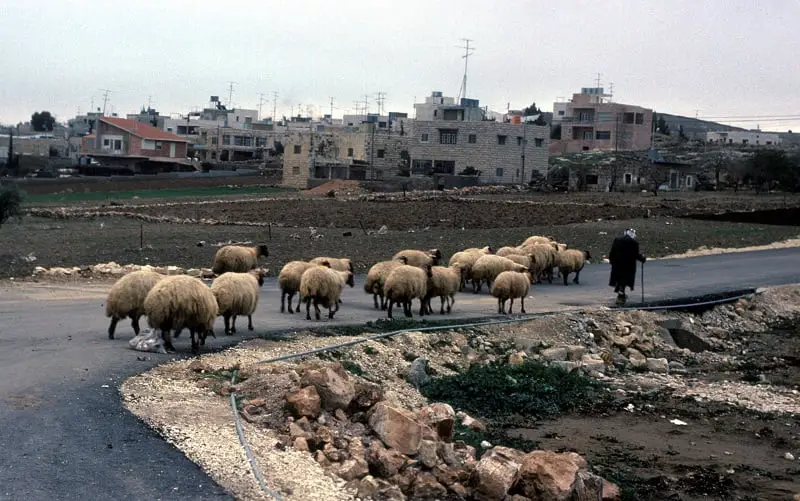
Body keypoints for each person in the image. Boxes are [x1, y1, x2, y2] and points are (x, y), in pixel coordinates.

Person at [608, 228, 646, 305]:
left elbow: (612, 252)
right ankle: (621, 296)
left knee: (619, 279)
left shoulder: (617, 240)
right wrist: (642, 258)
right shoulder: (634, 243)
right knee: (624, 281)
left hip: (617, 264)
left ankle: (621, 295)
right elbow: (635, 255)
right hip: (628, 266)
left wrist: (611, 261)